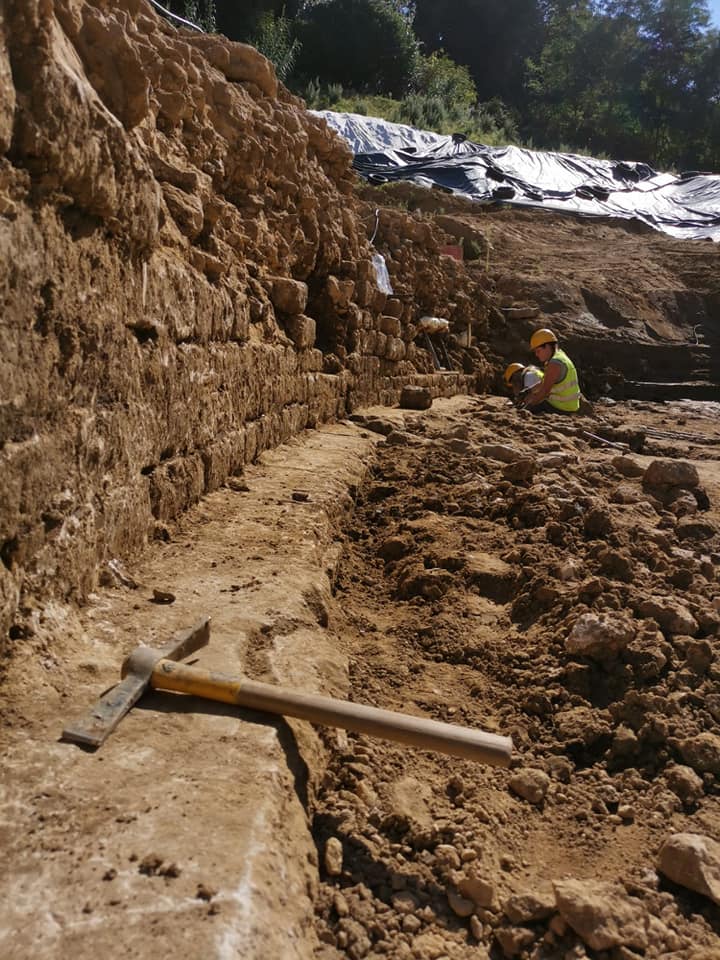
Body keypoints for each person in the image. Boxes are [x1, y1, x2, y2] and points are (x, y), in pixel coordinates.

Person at [521, 328, 580, 414]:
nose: (536, 355)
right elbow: (544, 383)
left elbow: (544, 391)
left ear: (548, 346)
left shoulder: (554, 363)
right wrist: (528, 391)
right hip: (569, 406)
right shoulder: (561, 356)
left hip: (561, 407)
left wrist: (528, 406)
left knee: (534, 405)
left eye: (538, 351)